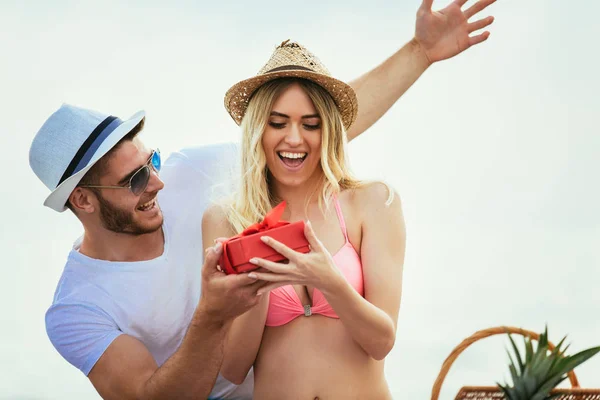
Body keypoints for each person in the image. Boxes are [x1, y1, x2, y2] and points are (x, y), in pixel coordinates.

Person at [29, 0, 497, 398]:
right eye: (134, 180)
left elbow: (305, 142)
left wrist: (420, 52)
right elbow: (155, 395)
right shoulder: (78, 308)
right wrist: (224, 307)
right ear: (84, 202)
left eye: (151, 162)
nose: (158, 184)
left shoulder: (194, 174)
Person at [203, 39, 404, 399]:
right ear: (257, 132)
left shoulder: (373, 202)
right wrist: (258, 285)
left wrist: (330, 282)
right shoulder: (227, 220)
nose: (294, 138)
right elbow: (233, 368)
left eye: (311, 124)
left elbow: (381, 342)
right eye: (278, 122)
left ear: (328, 131)